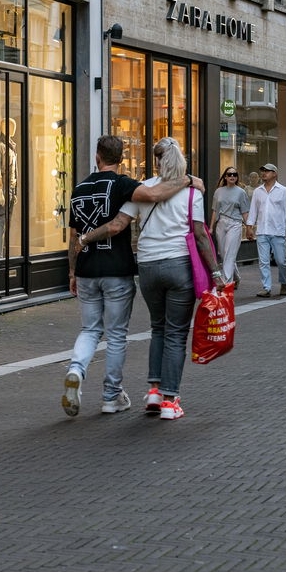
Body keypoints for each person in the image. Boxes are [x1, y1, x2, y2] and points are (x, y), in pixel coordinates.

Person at [83, 138, 222, 422]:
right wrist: (216, 272)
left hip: (147, 266)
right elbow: (199, 234)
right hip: (178, 265)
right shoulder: (192, 191)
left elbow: (118, 224)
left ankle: (155, 392)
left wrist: (85, 238)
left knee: (158, 328)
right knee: (176, 333)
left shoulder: (143, 188)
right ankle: (171, 400)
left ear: (157, 160)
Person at [63, 137, 191, 417]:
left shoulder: (79, 188)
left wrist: (72, 270)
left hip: (85, 270)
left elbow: (72, 236)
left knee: (89, 329)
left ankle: (76, 368)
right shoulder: (123, 185)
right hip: (116, 269)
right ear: (120, 158)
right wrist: (188, 181)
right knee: (117, 334)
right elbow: (154, 196)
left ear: (97, 157)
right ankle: (111, 396)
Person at [245, 163, 286, 297]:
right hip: (262, 231)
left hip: (278, 231)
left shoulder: (283, 191)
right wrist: (249, 227)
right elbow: (253, 210)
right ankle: (266, 287)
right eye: (262, 171)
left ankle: (284, 282)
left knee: (281, 261)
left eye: (267, 171)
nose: (264, 173)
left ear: (274, 174)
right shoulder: (258, 191)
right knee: (263, 261)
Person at [211, 168, 251, 283]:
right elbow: (215, 210)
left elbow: (245, 212)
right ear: (225, 177)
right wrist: (211, 227)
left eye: (235, 174)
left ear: (237, 177)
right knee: (223, 254)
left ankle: (226, 282)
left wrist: (249, 228)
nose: (232, 176)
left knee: (229, 253)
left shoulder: (241, 192)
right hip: (221, 223)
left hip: (235, 223)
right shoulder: (218, 191)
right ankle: (236, 277)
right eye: (229, 174)